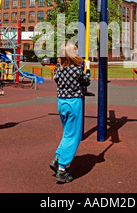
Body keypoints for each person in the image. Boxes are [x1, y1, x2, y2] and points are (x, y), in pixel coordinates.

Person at [49, 42, 91, 183]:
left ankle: (58, 158)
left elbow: (56, 80)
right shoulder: (76, 69)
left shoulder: (59, 69)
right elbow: (86, 82)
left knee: (68, 133)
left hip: (61, 103)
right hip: (73, 102)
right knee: (74, 136)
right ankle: (62, 169)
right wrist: (88, 68)